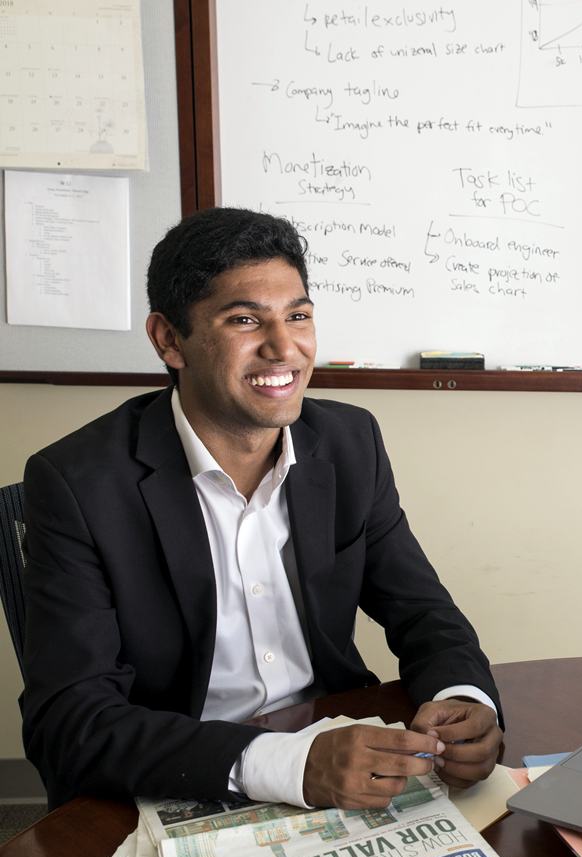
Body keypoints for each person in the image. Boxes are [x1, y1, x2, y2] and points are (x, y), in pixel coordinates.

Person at [20, 208, 503, 811]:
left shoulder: (350, 444)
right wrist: (283, 764)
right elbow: (68, 720)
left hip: (334, 748)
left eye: (298, 316)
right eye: (246, 319)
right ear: (169, 340)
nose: (285, 348)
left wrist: (468, 700)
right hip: (184, 770)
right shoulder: (77, 483)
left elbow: (425, 613)